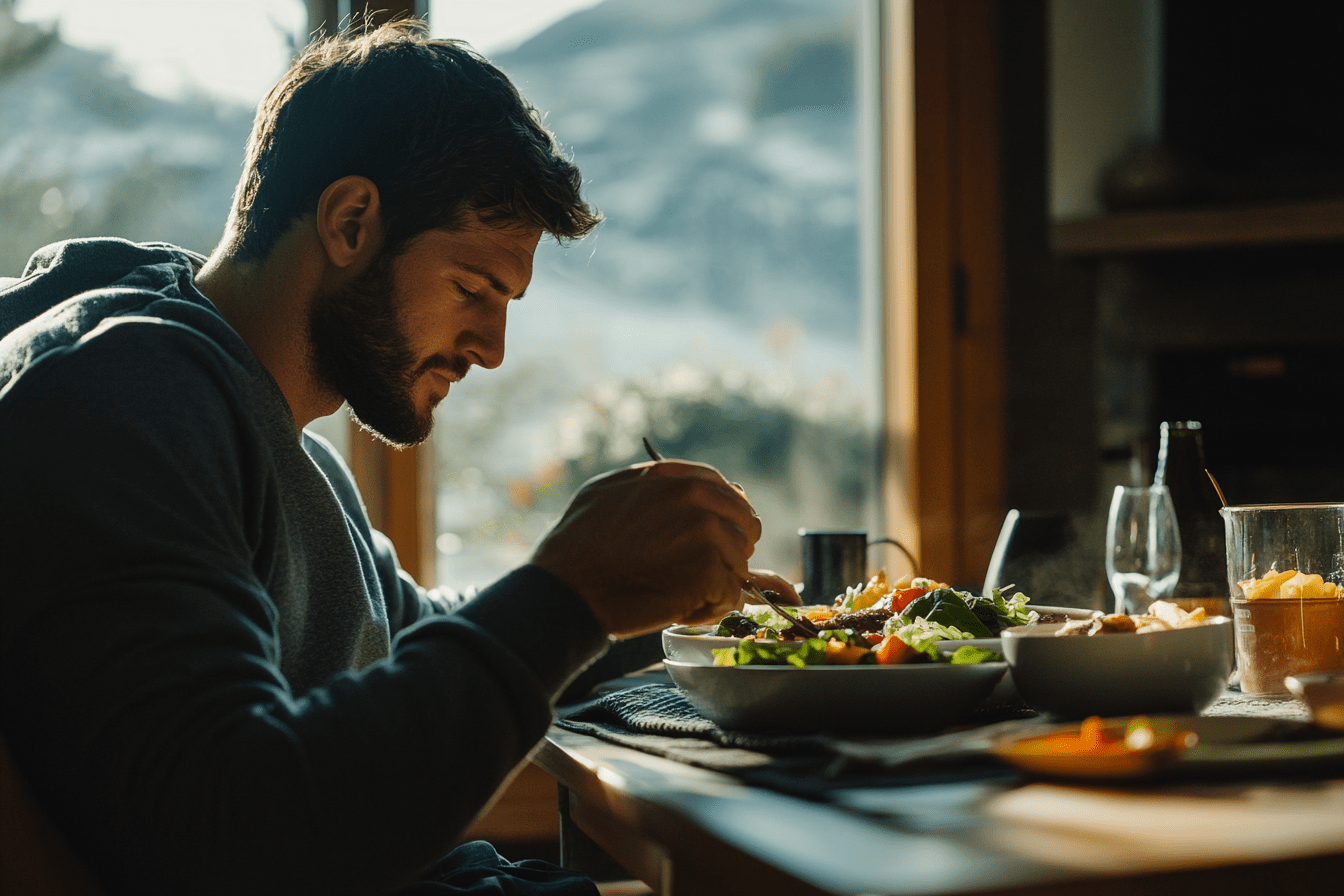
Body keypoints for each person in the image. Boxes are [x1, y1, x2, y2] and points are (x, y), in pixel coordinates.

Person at [0, 18, 798, 896]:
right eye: (473, 287)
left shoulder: (275, 441)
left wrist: (642, 600)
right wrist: (573, 591)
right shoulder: (122, 402)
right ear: (350, 222)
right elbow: (231, 830)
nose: (492, 348)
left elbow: (415, 636)